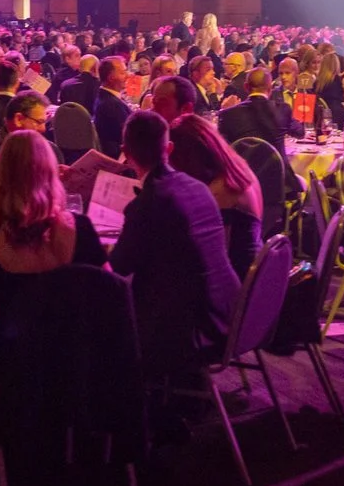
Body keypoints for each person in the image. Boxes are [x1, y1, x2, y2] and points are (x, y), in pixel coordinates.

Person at [108, 110, 241, 386]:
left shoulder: (148, 202)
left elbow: (119, 268)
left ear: (125, 152)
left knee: (99, 317)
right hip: (230, 312)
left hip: (189, 330)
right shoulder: (198, 188)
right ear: (168, 148)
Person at [0, 131, 107, 378]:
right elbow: (108, 291)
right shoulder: (80, 227)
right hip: (71, 357)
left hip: (11, 359)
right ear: (51, 174)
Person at [167, 113, 263, 276]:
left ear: (187, 158)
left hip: (235, 284)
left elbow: (215, 261)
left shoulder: (222, 192)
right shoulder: (239, 169)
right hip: (252, 274)